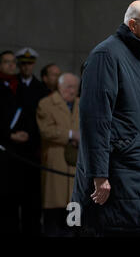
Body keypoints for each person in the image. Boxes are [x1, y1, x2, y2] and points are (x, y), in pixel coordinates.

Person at [71, 0, 140, 237]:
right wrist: (99, 175)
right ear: (133, 25)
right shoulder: (106, 55)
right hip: (116, 176)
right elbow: (95, 121)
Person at [36, 73, 80, 236]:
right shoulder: (46, 104)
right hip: (56, 163)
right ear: (59, 87)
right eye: (68, 87)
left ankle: (74, 232)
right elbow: (45, 130)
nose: (72, 90)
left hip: (77, 165)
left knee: (75, 209)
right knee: (55, 209)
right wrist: (70, 135)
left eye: (74, 87)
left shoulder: (81, 103)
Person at [14, 47, 47, 235]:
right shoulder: (11, 86)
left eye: (30, 63)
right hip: (14, 147)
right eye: (23, 64)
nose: (26, 67)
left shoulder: (40, 89)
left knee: (32, 198)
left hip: (33, 149)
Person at [0, 50, 34, 234]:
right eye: (6, 62)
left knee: (22, 198)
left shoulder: (21, 87)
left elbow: (29, 115)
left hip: (22, 153)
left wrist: (27, 133)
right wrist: (9, 135)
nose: (11, 65)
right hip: (4, 150)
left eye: (13, 62)